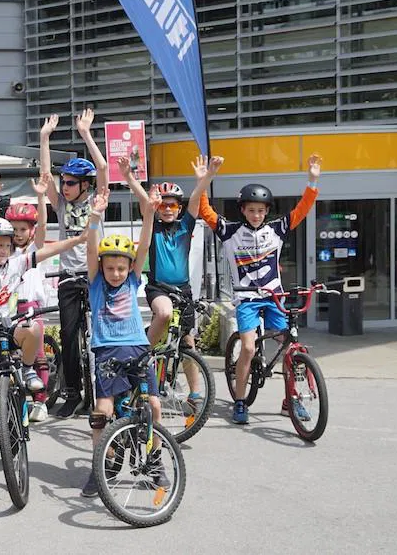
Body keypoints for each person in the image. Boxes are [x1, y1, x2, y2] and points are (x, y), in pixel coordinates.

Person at [0, 216, 88, 474]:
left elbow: (45, 252)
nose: (4, 250)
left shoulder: (15, 264)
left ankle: (27, 368)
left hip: (11, 328)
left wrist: (77, 240)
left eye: (7, 245)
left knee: (32, 328)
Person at [198, 153, 323, 424]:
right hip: (246, 300)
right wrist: (206, 179)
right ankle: (241, 401)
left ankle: (292, 400)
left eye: (261, 210)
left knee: (291, 346)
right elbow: (205, 212)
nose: (257, 214)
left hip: (274, 298)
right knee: (247, 348)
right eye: (251, 209)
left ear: (267, 211)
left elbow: (302, 209)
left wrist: (312, 180)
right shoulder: (230, 232)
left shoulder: (276, 230)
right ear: (242, 210)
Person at [80, 183, 168, 497]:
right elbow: (91, 251)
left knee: (154, 406)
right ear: (101, 269)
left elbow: (142, 246)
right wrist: (93, 219)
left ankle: (155, 461)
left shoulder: (132, 280)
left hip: (138, 349)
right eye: (109, 268)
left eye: (121, 268)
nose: (115, 273)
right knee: (101, 411)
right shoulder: (96, 285)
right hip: (106, 354)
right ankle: (100, 465)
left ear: (130, 268)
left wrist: (149, 216)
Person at [130, 155, 223, 411]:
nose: (168, 209)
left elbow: (196, 198)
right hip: (158, 288)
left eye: (172, 205)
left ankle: (195, 392)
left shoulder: (185, 226)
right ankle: (140, 356)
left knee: (187, 343)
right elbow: (143, 201)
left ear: (179, 208)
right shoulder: (153, 227)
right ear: (157, 208)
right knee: (163, 312)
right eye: (163, 206)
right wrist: (129, 177)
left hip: (183, 290)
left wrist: (208, 175)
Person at [39, 108, 108, 418]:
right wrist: (44, 139)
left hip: (95, 276)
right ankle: (72, 393)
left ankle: (107, 390)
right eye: (64, 181)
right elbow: (44, 177)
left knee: (103, 333)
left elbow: (104, 168)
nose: (64, 186)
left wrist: (85, 134)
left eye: (70, 182)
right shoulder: (61, 203)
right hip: (69, 277)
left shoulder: (97, 201)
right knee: (69, 336)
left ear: (85, 185)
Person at [0, 171, 55, 421]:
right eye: (13, 229)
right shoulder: (3, 251)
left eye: (23, 229)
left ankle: (40, 402)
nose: (17, 233)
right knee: (2, 359)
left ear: (31, 231)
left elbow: (44, 227)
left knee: (37, 355)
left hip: (32, 306)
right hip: (6, 309)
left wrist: (41, 196)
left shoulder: (35, 249)